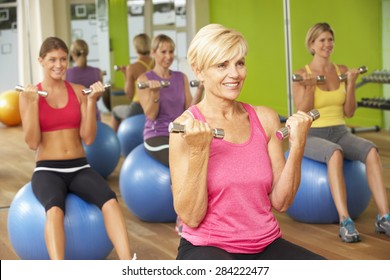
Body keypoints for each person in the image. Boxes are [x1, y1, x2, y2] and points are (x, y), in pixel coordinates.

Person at [169, 23, 325, 260]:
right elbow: (191, 217)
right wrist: (199, 150)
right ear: (198, 70)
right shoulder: (186, 129)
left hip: (266, 243)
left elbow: (281, 202)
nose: (235, 74)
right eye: (222, 65)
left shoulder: (265, 118)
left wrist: (298, 146)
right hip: (208, 247)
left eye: (239, 63)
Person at [19, 37, 132, 260]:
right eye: (52, 59)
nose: (59, 65)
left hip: (79, 167)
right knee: (54, 209)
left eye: (63, 59)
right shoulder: (29, 95)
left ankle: (130, 264)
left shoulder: (80, 91)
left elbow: (88, 138)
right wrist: (32, 103)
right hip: (47, 170)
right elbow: (32, 143)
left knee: (110, 200)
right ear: (40, 60)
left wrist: (92, 103)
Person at [292, 22, 390, 243]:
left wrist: (352, 84)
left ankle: (384, 217)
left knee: (372, 151)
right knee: (335, 152)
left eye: (330, 39)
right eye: (322, 40)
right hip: (313, 134)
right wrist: (309, 87)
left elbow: (349, 112)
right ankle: (345, 221)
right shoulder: (302, 74)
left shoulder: (342, 71)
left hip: (340, 131)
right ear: (312, 45)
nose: (327, 44)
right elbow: (301, 112)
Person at [137, 34, 201, 167]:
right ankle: (176, 188)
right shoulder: (144, 79)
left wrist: (200, 89)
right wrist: (155, 93)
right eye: (163, 52)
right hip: (157, 135)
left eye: (171, 51)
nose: (168, 56)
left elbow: (189, 111)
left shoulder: (181, 77)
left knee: (202, 159)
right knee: (180, 163)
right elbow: (151, 115)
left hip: (180, 133)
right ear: (153, 53)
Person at [111, 33, 154, 132]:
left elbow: (129, 94)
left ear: (136, 48)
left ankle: (116, 144)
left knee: (115, 112)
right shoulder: (156, 64)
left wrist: (125, 74)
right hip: (155, 105)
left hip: (137, 108)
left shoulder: (132, 67)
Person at [65, 39, 104, 121]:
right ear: (87, 53)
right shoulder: (98, 72)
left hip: (75, 118)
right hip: (94, 117)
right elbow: (98, 97)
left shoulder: (67, 73)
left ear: (73, 54)